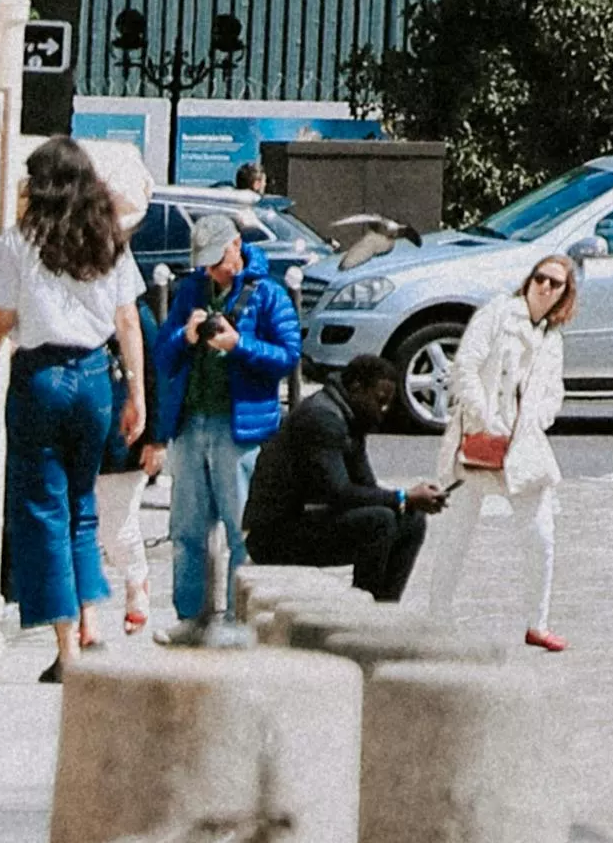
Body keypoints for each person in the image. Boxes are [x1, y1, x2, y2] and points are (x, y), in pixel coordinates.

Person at [0, 138, 150, 672]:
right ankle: (90, 621)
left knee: (42, 509)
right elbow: (127, 321)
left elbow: (2, 320)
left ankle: (67, 647)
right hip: (97, 377)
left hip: (42, 376)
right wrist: (137, 394)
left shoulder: (16, 242)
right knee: (83, 507)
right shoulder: (109, 240)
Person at [140, 205, 299, 647]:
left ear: (236, 247)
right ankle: (191, 618)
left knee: (241, 527)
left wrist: (239, 344)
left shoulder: (267, 293)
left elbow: (288, 356)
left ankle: (237, 619)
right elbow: (163, 356)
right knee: (187, 529)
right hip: (191, 423)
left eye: (217, 260)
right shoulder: (191, 291)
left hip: (240, 428)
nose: (212, 270)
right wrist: (187, 336)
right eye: (205, 262)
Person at [415, 248, 575, 649]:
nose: (544, 287)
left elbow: (554, 390)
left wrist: (539, 419)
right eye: (540, 278)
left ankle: (537, 622)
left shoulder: (552, 339)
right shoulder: (498, 313)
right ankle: (437, 615)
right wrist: (483, 417)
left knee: (540, 535)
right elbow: (466, 364)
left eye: (554, 283)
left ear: (563, 294)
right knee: (457, 531)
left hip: (523, 448)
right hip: (479, 441)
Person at [242, 364, 432, 606]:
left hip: (302, 523)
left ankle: (385, 607)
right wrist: (403, 496)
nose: (382, 410)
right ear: (356, 388)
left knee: (411, 519)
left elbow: (366, 487)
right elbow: (338, 493)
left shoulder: (352, 416)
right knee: (379, 521)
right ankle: (361, 609)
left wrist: (405, 502)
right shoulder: (322, 418)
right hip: (272, 537)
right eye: (379, 400)